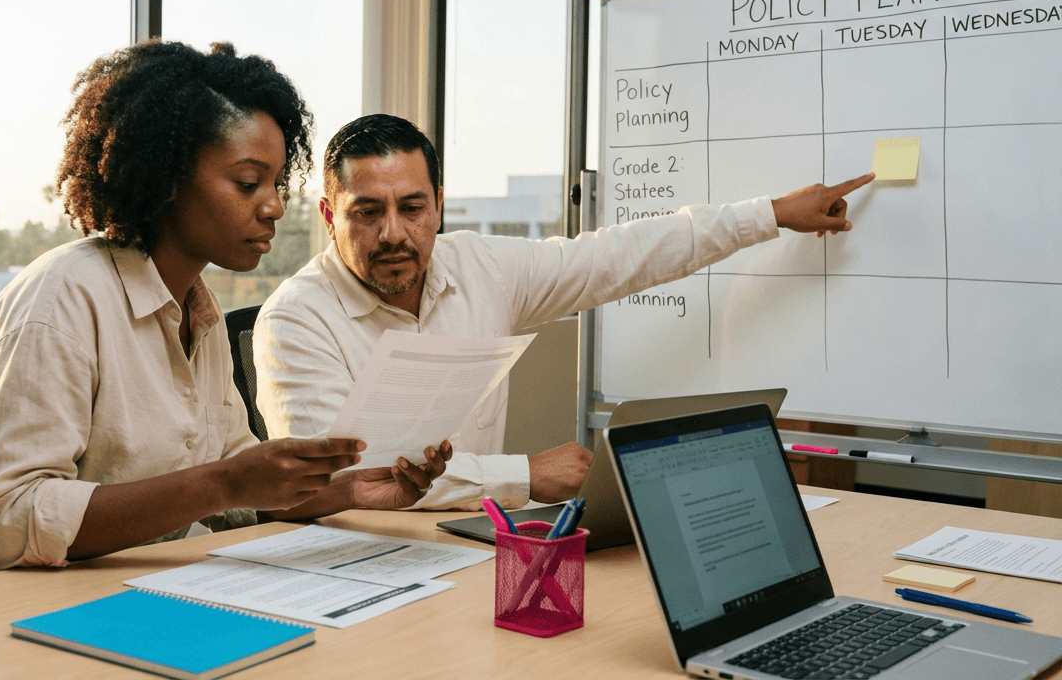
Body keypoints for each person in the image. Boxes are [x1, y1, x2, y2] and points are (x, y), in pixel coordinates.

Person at [0, 44, 452, 591]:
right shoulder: (62, 299)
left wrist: (349, 491)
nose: (275, 205)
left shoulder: (198, 313)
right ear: (168, 176)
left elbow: (237, 483)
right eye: (248, 183)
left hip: (97, 587)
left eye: (277, 184)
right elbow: (4, 522)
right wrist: (223, 483)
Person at [253, 113, 873, 510]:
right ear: (332, 216)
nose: (394, 233)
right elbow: (351, 483)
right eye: (367, 212)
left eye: (412, 208)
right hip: (353, 572)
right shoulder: (295, 320)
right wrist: (522, 475)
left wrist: (769, 214)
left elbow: (619, 256)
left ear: (439, 205)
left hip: (473, 546)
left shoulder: (481, 267)